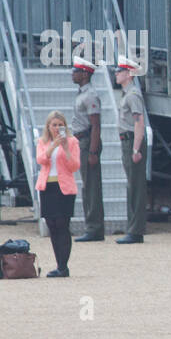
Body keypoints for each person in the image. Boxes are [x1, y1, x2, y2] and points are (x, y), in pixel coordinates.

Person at [36, 110, 81, 278]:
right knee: (52, 225)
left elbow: (74, 166)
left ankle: (63, 265)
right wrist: (53, 145)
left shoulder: (72, 141)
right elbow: (41, 159)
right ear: (48, 126)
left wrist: (66, 149)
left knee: (62, 224)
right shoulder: (43, 141)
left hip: (64, 187)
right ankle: (59, 263)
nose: (57, 128)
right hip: (48, 186)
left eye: (60, 125)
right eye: (54, 125)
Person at [69, 57, 105, 242]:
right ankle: (91, 225)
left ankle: (94, 227)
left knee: (91, 186)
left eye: (76, 71)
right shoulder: (82, 93)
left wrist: (92, 151)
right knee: (87, 185)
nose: (72, 73)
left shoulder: (90, 95)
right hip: (81, 141)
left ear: (84, 74)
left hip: (87, 141)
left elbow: (95, 125)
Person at [115, 56, 148, 244]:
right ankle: (133, 228)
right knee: (132, 185)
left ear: (128, 74)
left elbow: (139, 123)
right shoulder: (128, 94)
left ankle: (136, 230)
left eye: (119, 71)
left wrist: (136, 149)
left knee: (135, 186)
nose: (116, 75)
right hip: (127, 140)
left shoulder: (133, 95)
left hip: (131, 141)